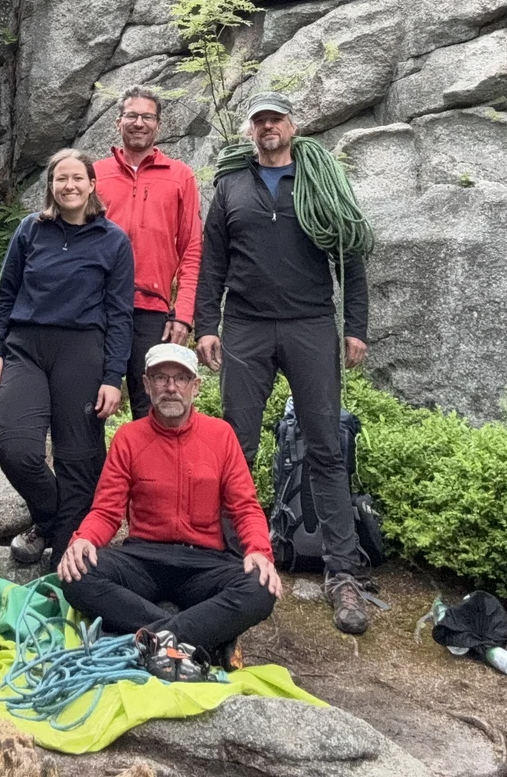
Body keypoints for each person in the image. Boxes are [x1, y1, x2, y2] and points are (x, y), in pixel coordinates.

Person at [195, 90, 372, 636]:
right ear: (251, 130)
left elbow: (351, 256)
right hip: (246, 326)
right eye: (259, 120)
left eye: (275, 118)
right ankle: (230, 558)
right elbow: (213, 261)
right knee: (235, 445)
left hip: (312, 325)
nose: (267, 127)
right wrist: (206, 325)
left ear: (292, 125)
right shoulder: (230, 186)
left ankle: (342, 574)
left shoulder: (321, 183)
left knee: (324, 444)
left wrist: (355, 329)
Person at [58, 343, 280, 667]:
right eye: (161, 378)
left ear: (196, 387)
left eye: (181, 378)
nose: (171, 387)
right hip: (144, 558)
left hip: (204, 562)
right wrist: (84, 540)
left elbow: (245, 507)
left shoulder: (221, 435)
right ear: (147, 385)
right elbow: (107, 510)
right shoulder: (128, 437)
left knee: (261, 588)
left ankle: (151, 637)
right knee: (76, 576)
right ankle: (205, 636)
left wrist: (260, 550)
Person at [0, 148, 134, 569]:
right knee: (16, 449)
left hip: (82, 350)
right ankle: (51, 521)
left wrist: (112, 376)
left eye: (77, 178)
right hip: (26, 347)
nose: (69, 186)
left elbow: (120, 314)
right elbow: (6, 294)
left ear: (91, 184)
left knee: (79, 459)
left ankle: (68, 552)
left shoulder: (113, 240)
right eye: (60, 178)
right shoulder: (31, 231)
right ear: (51, 186)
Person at [92, 86, 202, 420]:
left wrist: (183, 313)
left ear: (158, 125)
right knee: (88, 402)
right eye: (132, 115)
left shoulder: (180, 176)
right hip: (96, 307)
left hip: (151, 310)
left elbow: (192, 249)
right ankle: (96, 474)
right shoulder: (94, 174)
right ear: (118, 122)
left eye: (147, 117)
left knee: (151, 408)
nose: (139, 123)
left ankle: (150, 474)